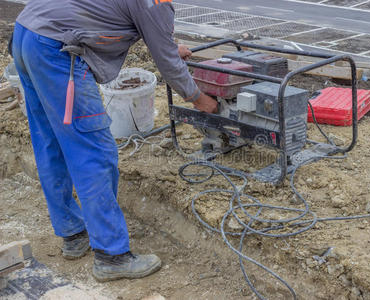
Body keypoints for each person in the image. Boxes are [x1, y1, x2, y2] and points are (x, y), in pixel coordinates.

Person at [11, 0, 217, 282]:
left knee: (51, 143)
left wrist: (168, 45)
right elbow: (168, 63)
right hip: (56, 50)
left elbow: (136, 19)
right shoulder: (157, 2)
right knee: (94, 152)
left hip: (27, 33)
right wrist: (200, 100)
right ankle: (112, 256)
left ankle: (73, 234)